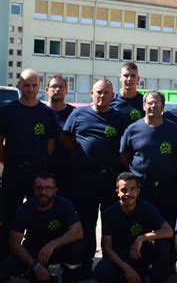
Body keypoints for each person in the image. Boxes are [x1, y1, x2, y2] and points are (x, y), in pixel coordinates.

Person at [62, 78, 127, 269]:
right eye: (98, 92)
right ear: (91, 93)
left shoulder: (119, 118)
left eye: (106, 92)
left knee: (111, 221)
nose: (102, 95)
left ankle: (110, 261)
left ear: (112, 96)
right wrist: (80, 154)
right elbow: (65, 138)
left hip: (110, 179)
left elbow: (126, 146)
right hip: (85, 179)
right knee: (86, 221)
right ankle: (85, 261)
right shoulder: (78, 114)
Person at [120, 90, 177, 276]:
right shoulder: (133, 129)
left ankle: (166, 268)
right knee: (140, 227)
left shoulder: (173, 130)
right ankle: (138, 267)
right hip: (142, 189)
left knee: (167, 228)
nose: (153, 106)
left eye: (157, 103)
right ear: (143, 105)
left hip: (167, 188)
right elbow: (124, 157)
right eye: (149, 103)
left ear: (163, 107)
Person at [0, 173, 84, 283]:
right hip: (35, 251)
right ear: (33, 190)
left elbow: (78, 232)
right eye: (39, 188)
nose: (43, 192)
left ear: (55, 190)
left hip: (58, 249)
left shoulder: (64, 204)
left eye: (48, 188)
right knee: (9, 264)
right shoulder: (25, 209)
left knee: (77, 249)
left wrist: (52, 245)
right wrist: (35, 265)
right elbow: (14, 244)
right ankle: (36, 279)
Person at [92, 172, 173, 283]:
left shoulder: (147, 207)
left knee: (164, 244)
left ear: (138, 191)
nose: (128, 193)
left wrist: (142, 237)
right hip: (121, 257)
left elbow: (168, 231)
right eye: (123, 190)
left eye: (132, 189)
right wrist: (126, 268)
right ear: (117, 192)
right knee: (100, 272)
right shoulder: (109, 213)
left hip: (141, 253)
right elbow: (106, 248)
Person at [0, 69, 58, 258]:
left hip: (38, 174)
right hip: (13, 171)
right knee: (8, 216)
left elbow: (50, 143)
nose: (30, 89)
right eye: (26, 85)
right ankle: (6, 260)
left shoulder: (47, 113)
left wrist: (38, 159)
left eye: (34, 85)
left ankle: (35, 259)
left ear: (40, 86)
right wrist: (7, 160)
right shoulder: (8, 111)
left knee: (39, 216)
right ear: (19, 85)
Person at [45, 74, 75, 200]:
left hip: (68, 172)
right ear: (47, 90)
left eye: (61, 87)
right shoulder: (39, 112)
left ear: (66, 90)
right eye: (54, 86)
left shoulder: (75, 114)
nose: (57, 89)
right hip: (43, 171)